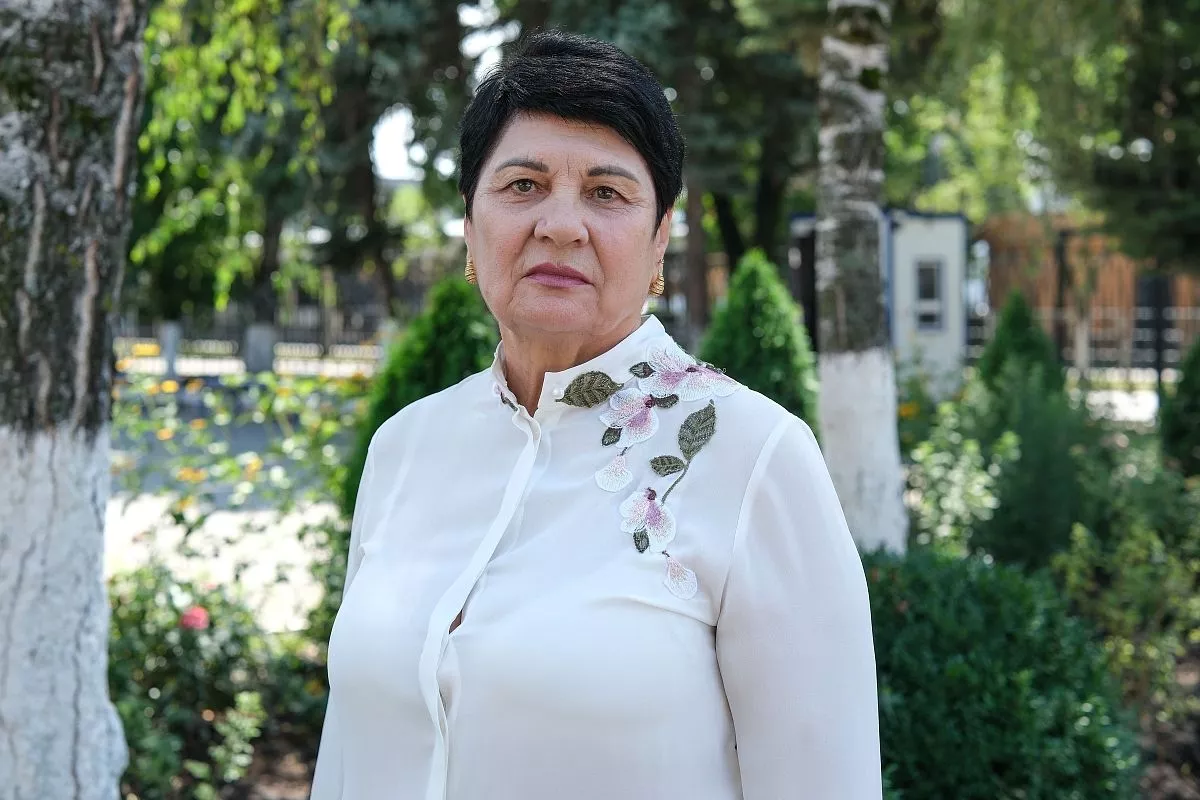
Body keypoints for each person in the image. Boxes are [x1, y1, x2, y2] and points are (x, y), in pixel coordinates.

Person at [310, 29, 881, 800]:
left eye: (607, 193)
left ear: (660, 238)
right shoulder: (405, 446)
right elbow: (345, 755)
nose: (560, 224)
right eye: (523, 185)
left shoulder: (755, 456)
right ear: (470, 226)